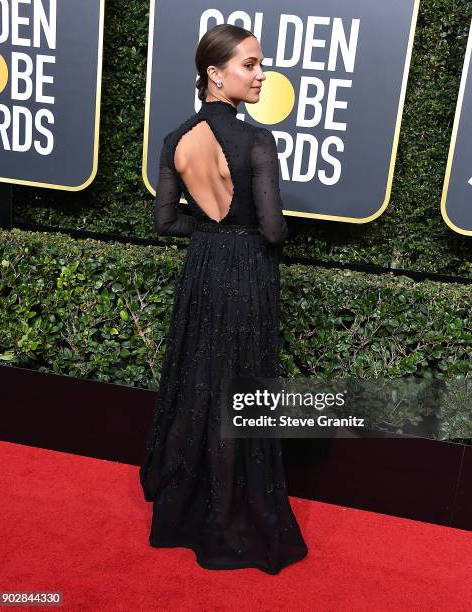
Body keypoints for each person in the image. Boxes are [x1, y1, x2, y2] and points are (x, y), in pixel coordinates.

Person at [139, 23, 308, 574]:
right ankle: (233, 513)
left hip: (203, 271)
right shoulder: (257, 141)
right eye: (250, 65)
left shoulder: (176, 139)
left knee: (198, 384)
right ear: (216, 74)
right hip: (246, 273)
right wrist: (243, 238)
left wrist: (210, 233)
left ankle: (183, 509)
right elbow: (275, 230)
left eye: (261, 65)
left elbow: (165, 221)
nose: (261, 75)